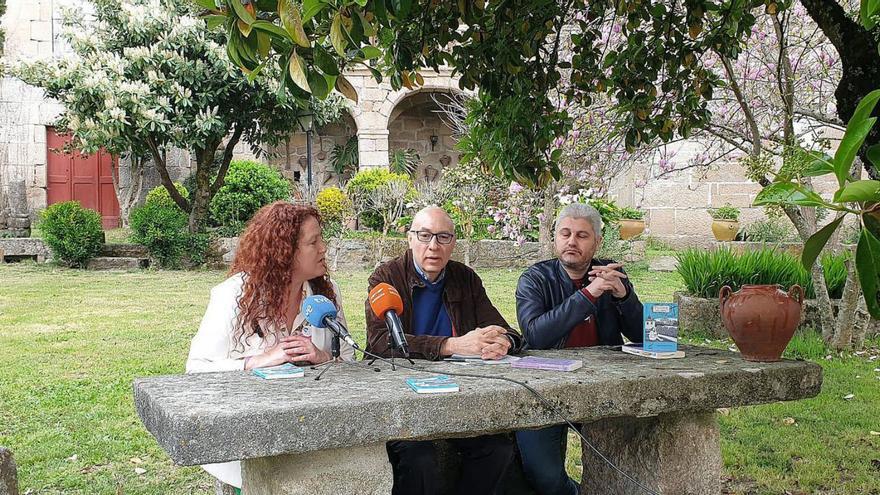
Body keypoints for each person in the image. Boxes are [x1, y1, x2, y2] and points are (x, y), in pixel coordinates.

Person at [186, 201, 354, 491]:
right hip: (248, 442)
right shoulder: (233, 295)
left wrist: (323, 356)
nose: (324, 248)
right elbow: (196, 369)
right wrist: (257, 361)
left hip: (314, 440)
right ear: (285, 251)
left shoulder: (327, 294)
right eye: (313, 242)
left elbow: (352, 365)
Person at [365, 205, 523, 495]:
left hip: (457, 395)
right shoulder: (386, 277)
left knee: (497, 449)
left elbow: (504, 329)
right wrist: (452, 345)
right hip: (401, 396)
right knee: (420, 458)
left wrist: (505, 342)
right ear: (410, 238)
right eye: (424, 236)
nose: (433, 246)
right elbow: (379, 342)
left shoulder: (465, 278)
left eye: (443, 237)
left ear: (453, 243)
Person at [514, 203, 643, 495]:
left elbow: (643, 336)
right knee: (543, 476)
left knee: (619, 465)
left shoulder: (611, 275)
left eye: (582, 235)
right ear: (555, 238)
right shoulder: (534, 279)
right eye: (565, 233)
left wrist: (624, 296)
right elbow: (536, 336)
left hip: (605, 385)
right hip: (544, 389)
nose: (572, 241)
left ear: (597, 241)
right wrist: (589, 294)